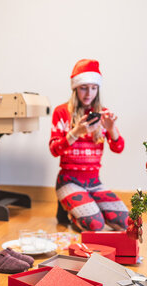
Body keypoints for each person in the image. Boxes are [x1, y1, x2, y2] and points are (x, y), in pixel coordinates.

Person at [49, 59, 129, 231]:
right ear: (75, 88)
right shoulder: (62, 112)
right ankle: (70, 212)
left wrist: (111, 129)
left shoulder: (103, 114)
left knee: (125, 222)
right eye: (84, 87)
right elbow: (54, 150)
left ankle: (87, 206)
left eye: (94, 88)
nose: (88, 93)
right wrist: (75, 133)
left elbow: (118, 148)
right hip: (68, 180)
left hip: (94, 182)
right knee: (95, 225)